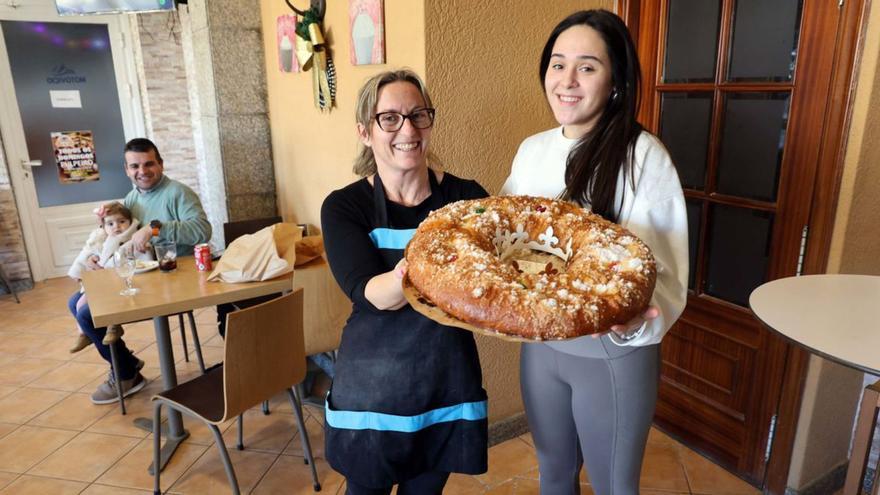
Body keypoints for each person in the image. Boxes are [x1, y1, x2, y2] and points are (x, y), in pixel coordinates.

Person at [500, 10, 688, 495]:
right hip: (541, 349)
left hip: (612, 351)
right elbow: (508, 241)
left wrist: (636, 323)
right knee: (554, 473)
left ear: (616, 80)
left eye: (587, 67)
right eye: (557, 64)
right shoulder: (532, 151)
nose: (567, 80)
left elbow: (668, 274)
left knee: (613, 486)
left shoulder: (643, 156)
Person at [320, 69, 489, 495]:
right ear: (365, 131)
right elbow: (372, 293)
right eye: (390, 118)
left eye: (418, 115)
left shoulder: (466, 198)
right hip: (372, 390)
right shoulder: (345, 206)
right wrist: (439, 260)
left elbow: (489, 280)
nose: (408, 129)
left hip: (445, 380)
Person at [73, 137, 211, 405]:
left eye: (149, 164)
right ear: (126, 169)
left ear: (160, 164)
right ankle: (128, 365)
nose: (142, 171)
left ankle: (125, 373)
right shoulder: (132, 198)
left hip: (176, 277)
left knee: (88, 312)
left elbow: (202, 230)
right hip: (142, 274)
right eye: (135, 166)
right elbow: (118, 235)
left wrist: (155, 228)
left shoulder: (178, 193)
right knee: (74, 304)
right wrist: (98, 255)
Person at [67, 202, 150, 353]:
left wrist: (104, 271)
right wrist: (89, 262)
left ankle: (110, 327)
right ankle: (84, 333)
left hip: (125, 283)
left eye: (122, 222)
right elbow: (92, 253)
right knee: (76, 303)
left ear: (130, 221)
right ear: (103, 226)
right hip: (105, 281)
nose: (116, 227)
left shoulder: (133, 239)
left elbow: (138, 261)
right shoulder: (103, 240)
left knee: (84, 309)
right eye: (110, 223)